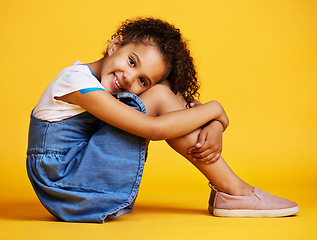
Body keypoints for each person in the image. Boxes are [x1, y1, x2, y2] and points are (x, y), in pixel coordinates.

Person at [26, 17, 299, 223]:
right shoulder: (75, 81)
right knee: (158, 96)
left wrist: (217, 124)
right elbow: (154, 129)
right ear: (115, 45)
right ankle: (233, 190)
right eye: (132, 61)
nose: (129, 78)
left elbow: (181, 105)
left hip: (76, 175)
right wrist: (217, 109)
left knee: (162, 94)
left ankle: (230, 191)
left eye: (142, 79)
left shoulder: (108, 88)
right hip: (65, 183)